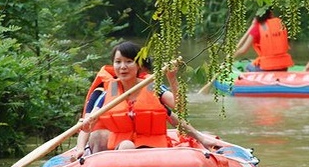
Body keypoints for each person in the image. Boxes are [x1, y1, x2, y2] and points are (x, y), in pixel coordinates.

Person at [72, 41, 221, 159]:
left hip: (152, 147)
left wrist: (172, 78)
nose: (123, 67)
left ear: (139, 65)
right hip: (120, 147)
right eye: (118, 62)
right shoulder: (107, 92)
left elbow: (178, 108)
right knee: (122, 144)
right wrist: (80, 148)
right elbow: (90, 121)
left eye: (129, 61)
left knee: (129, 145)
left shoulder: (151, 87)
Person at [234, 6, 294, 71]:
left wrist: (233, 56)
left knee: (248, 66)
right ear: (271, 14)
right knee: (255, 61)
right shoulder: (280, 24)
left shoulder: (256, 29)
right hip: (283, 67)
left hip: (267, 68)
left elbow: (243, 50)